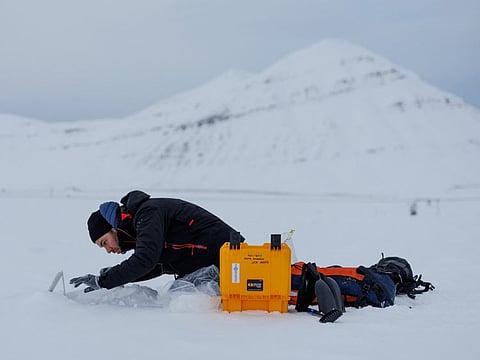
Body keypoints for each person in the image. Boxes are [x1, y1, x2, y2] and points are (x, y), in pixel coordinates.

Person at [70, 190, 244, 293]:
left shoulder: (147, 214)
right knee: (177, 298)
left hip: (232, 262)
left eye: (104, 242)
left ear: (113, 228)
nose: (108, 250)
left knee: (181, 303)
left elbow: (146, 260)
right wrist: (111, 277)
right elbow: (158, 266)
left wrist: (104, 281)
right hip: (214, 267)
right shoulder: (139, 223)